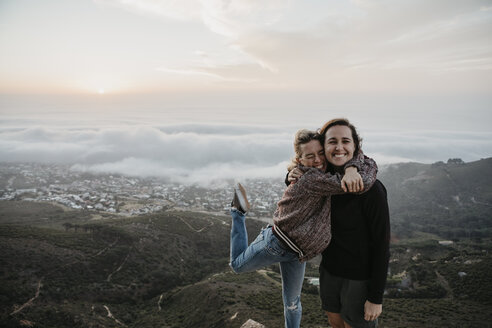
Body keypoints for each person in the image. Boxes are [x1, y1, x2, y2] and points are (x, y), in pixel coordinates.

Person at [229, 129, 378, 328]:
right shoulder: (313, 180)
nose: (317, 160)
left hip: (299, 253)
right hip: (276, 243)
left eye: (320, 153)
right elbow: (365, 180)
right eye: (310, 156)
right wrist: (353, 169)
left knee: (292, 303)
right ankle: (237, 213)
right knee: (237, 266)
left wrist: (350, 167)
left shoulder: (320, 175)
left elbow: (354, 156)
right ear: (300, 159)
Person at [289, 119, 390, 328]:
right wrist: (289, 174)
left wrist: (376, 298)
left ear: (355, 147)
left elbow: (382, 245)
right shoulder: (322, 183)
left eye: (346, 141)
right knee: (335, 324)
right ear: (323, 148)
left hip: (359, 280)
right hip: (329, 272)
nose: (339, 147)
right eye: (332, 141)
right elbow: (301, 178)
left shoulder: (371, 189)